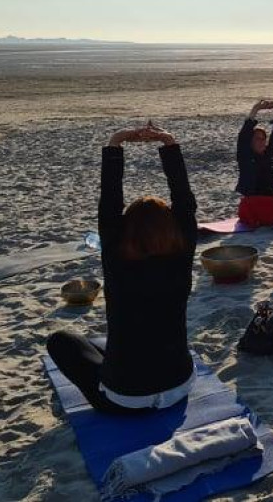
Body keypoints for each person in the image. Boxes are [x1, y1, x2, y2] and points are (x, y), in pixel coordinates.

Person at [46, 122, 197, 412]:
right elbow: (184, 200)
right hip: (180, 385)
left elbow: (110, 201)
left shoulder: (117, 257)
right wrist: (168, 143)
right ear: (173, 228)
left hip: (125, 398)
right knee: (99, 344)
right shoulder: (182, 253)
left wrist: (117, 142)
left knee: (60, 341)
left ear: (125, 230)